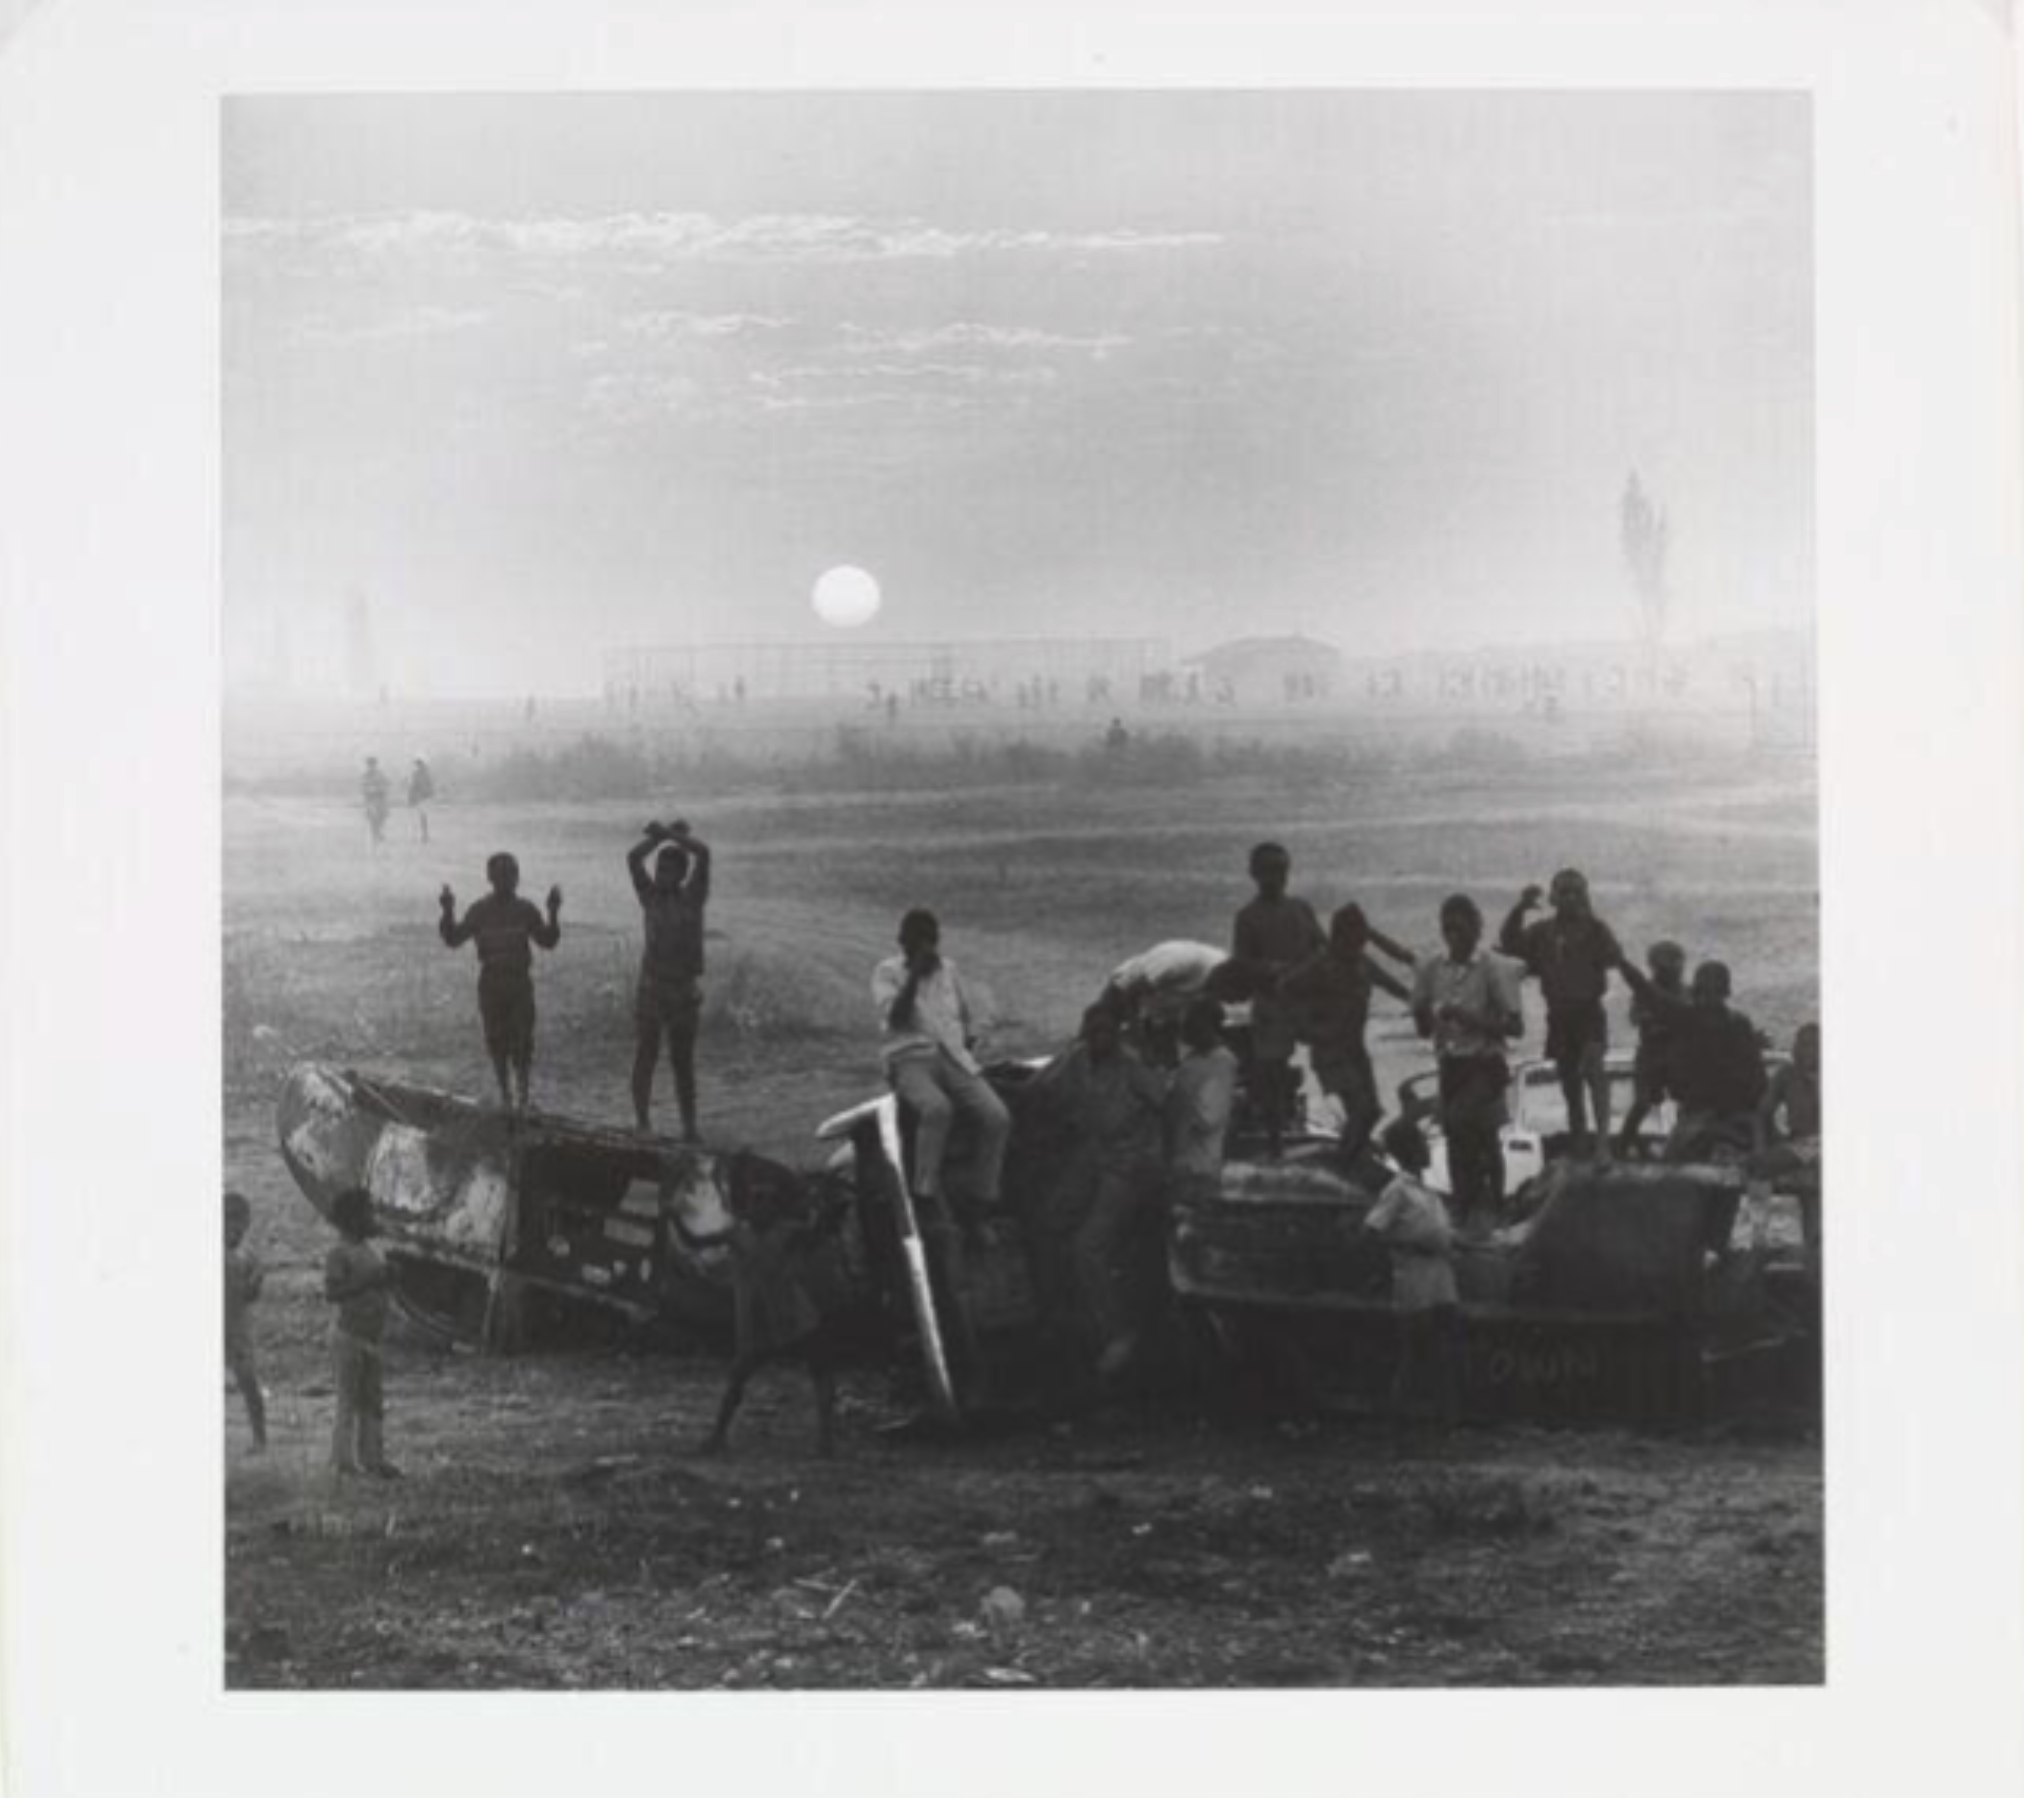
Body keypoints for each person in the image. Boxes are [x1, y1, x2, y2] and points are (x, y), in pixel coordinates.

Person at [871, 909, 1011, 1394]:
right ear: (904, 942)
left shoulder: (950, 971)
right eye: (915, 941)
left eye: (928, 940)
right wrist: (914, 975)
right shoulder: (888, 972)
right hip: (908, 1058)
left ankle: (982, 1197)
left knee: (996, 1118)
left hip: (953, 1056)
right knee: (935, 1113)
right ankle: (925, 1188)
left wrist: (973, 1043)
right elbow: (894, 1017)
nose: (923, 947)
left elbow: (970, 1018)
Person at [1037, 1005, 1169, 1378]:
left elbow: (1165, 1103)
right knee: (1049, 1219)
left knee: (1089, 1246)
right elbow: (1042, 1089)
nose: (1100, 1040)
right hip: (1093, 1154)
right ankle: (1066, 1316)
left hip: (1131, 1163)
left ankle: (1119, 1332)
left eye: (1108, 1033)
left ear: (1119, 1034)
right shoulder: (1076, 1060)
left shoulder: (1131, 1065)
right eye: (1093, 1032)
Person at [1411, 894, 1525, 1226]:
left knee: (1466, 1125)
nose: (1454, 932)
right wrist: (1423, 1014)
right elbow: (1422, 1028)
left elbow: (1515, 1028)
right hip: (1451, 1065)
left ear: (1476, 928)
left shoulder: (1493, 966)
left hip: (1486, 1063)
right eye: (1448, 925)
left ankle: (1488, 1202)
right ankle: (1468, 1205)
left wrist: (1468, 1017)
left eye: (1462, 924)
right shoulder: (1432, 967)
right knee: (1465, 1135)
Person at [1500, 869, 1625, 1159]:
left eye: (1576, 891)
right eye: (1564, 891)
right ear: (1554, 897)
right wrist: (1519, 908)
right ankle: (1579, 1138)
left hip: (1589, 1011)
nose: (1570, 897)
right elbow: (1511, 945)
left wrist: (1589, 919)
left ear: (1584, 896)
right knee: (1569, 1081)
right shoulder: (1543, 931)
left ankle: (1603, 1143)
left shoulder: (1595, 929)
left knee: (1595, 1071)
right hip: (1558, 1015)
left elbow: (1613, 956)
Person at [1279, 902, 1416, 1167]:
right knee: (1361, 1110)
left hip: (1355, 1049)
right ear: (1338, 938)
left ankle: (1351, 1158)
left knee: (1372, 1111)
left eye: (1360, 943)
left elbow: (1393, 986)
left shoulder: (1361, 961)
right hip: (1329, 1050)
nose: (1357, 949)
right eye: (1352, 942)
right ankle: (1344, 1164)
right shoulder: (1320, 964)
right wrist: (1304, 1029)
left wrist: (1419, 1003)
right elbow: (1284, 989)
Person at [438, 852, 563, 1111]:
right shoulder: (481, 911)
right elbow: (453, 938)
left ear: (517, 877)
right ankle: (508, 1096)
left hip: (517, 984)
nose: (506, 880)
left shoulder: (525, 910)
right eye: (500, 875)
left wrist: (553, 912)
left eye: (510, 875)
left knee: (522, 1044)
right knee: (498, 1044)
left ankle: (522, 1098)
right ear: (490, 878)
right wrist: (448, 910)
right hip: (493, 984)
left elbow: (548, 940)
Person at [1615, 955, 1768, 1161]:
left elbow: (1647, 991)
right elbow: (1757, 1080)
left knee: (1670, 1165)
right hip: (1725, 1116)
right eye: (1707, 993)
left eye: (1712, 992)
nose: (1709, 999)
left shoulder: (1689, 1018)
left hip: (1710, 1115)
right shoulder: (1736, 1024)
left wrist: (1620, 961)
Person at [1365, 1118, 1464, 1426]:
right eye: (1420, 1144)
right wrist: (1408, 1245)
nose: (1426, 1150)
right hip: (1414, 1276)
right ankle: (1400, 1415)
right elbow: (1372, 1231)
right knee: (1417, 1346)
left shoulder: (1428, 1192)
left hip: (1440, 1275)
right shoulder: (1398, 1190)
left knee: (1446, 1344)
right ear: (1407, 1150)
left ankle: (1445, 1413)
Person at [1230, 842, 1326, 1155]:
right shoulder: (1247, 917)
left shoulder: (1300, 909)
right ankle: (1275, 1144)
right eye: (1268, 871)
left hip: (1306, 1004)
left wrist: (1308, 972)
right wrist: (1272, 969)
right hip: (1271, 1005)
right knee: (1269, 1075)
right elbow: (1242, 964)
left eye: (1281, 871)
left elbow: (1323, 948)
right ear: (1254, 874)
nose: (1275, 878)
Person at [626, 819, 712, 1140]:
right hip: (652, 986)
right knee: (645, 1055)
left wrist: (671, 835)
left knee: (682, 1063)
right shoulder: (649, 896)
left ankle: (689, 1127)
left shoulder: (694, 896)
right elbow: (633, 859)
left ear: (682, 874)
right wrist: (658, 838)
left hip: (683, 989)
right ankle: (642, 1122)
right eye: (659, 869)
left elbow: (704, 853)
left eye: (668, 870)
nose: (661, 876)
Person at [323, 1187, 398, 1478]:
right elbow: (332, 1292)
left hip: (370, 1337)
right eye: (367, 1213)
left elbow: (374, 1284)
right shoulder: (338, 1253)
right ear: (352, 1219)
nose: (372, 1218)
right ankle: (342, 1461)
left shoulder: (370, 1250)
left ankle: (373, 1459)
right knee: (348, 1400)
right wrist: (370, 1280)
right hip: (348, 1336)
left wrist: (389, 1278)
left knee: (373, 1399)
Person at [1616, 940, 1688, 1154]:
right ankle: (1622, 1146)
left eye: (1676, 965)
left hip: (1678, 1055)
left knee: (1690, 1102)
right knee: (1642, 1102)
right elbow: (1636, 1018)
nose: (1673, 971)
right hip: (1651, 1054)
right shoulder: (1645, 992)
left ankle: (1682, 1144)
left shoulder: (1686, 991)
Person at [224, 1190, 267, 1454]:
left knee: (248, 1380)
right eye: (230, 1223)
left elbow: (250, 1296)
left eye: (241, 1225)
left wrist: (256, 1281)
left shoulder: (247, 1256)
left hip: (236, 1327)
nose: (236, 1231)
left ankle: (260, 1438)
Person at [361, 756, 390, 848]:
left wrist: (378, 789)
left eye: (372, 765)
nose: (371, 767)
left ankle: (378, 833)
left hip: (380, 800)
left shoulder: (380, 774)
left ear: (375, 765)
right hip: (370, 801)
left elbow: (386, 785)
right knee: (373, 819)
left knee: (381, 818)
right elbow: (363, 788)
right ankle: (376, 836)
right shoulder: (365, 775)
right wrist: (369, 790)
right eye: (369, 765)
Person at [407, 757, 436, 843]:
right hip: (419, 798)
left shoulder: (426, 774)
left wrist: (430, 794)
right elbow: (412, 787)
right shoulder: (415, 774)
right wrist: (411, 798)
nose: (419, 766)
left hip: (425, 797)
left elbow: (430, 785)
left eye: (420, 764)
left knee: (423, 816)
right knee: (422, 816)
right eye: (418, 764)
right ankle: (424, 834)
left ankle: (425, 834)